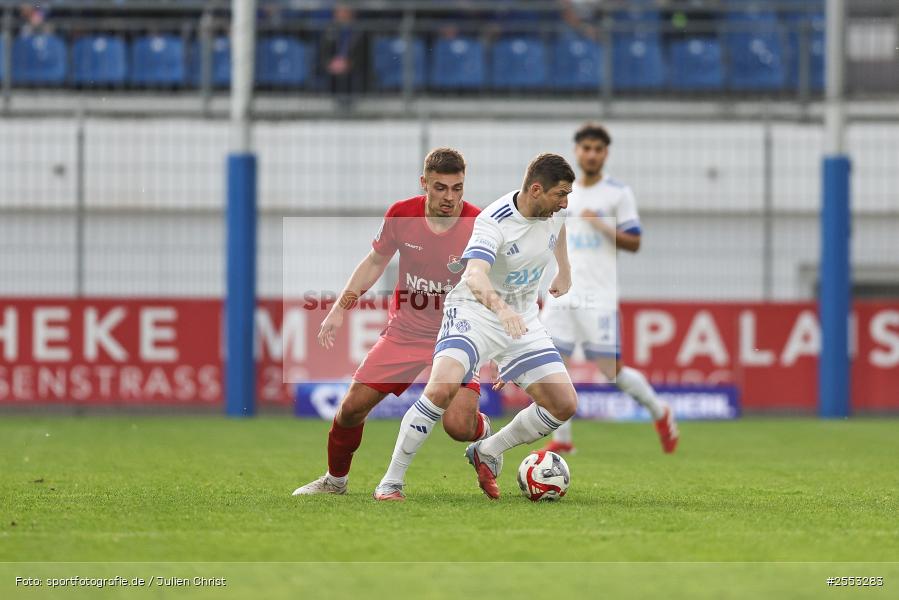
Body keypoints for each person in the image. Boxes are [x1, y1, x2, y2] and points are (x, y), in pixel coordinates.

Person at [374, 153, 577, 501]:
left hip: (522, 318)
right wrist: (501, 311)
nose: (565, 202)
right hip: (474, 312)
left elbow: (557, 233)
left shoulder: (551, 215)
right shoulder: (493, 221)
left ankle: (487, 450)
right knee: (440, 390)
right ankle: (391, 482)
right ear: (537, 189)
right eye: (561, 194)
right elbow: (474, 275)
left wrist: (564, 270)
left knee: (563, 404)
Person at [292, 148, 491, 497]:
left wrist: (500, 346)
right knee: (351, 409)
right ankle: (335, 481)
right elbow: (374, 262)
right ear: (423, 184)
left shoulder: (479, 225)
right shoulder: (401, 215)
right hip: (406, 331)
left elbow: (495, 284)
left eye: (457, 188)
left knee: (458, 426)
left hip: (458, 332)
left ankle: (482, 431)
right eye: (440, 188)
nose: (450, 197)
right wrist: (340, 307)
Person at [540, 122, 679, 455]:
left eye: (597, 149)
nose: (591, 154)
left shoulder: (617, 193)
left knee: (610, 371)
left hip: (598, 297)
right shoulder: (561, 192)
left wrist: (600, 224)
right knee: (550, 365)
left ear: (605, 154)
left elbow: (635, 242)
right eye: (585, 148)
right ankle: (564, 439)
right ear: (577, 151)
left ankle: (660, 412)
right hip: (560, 291)